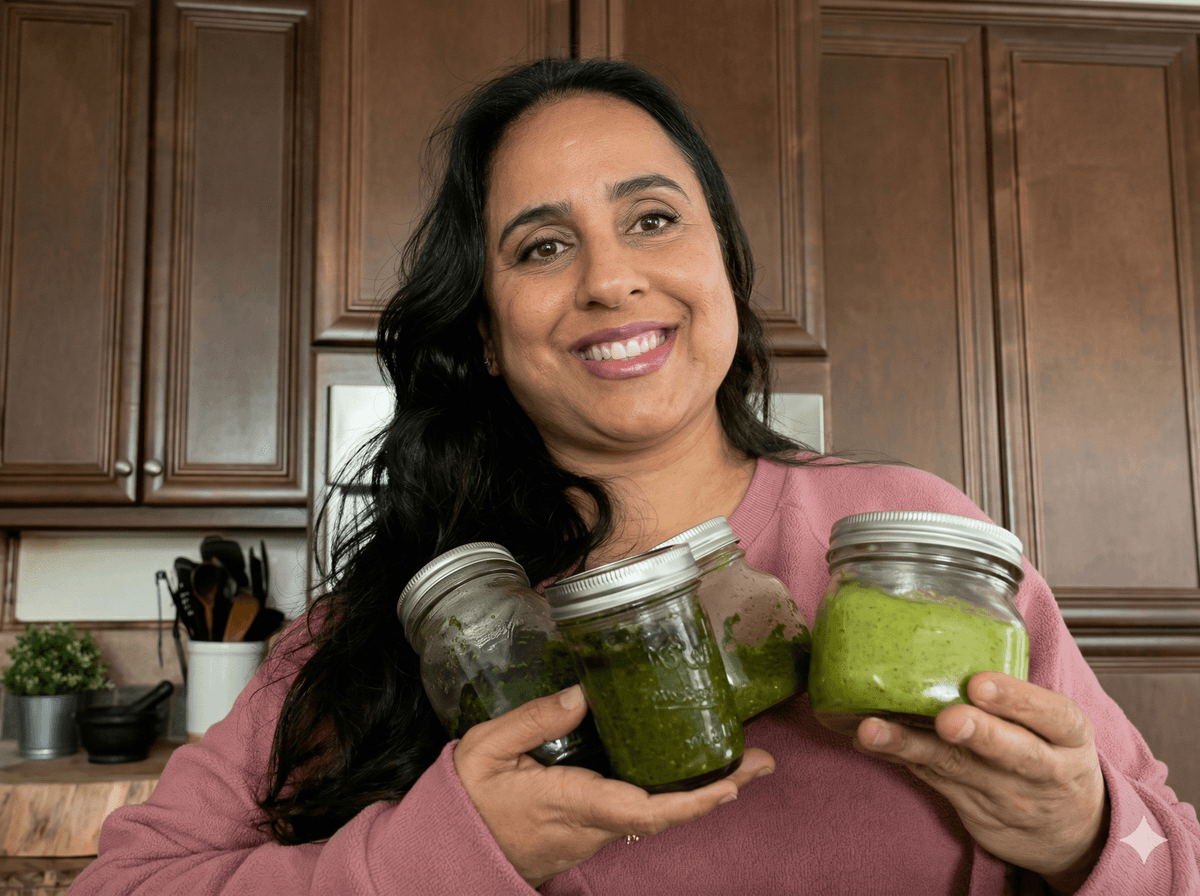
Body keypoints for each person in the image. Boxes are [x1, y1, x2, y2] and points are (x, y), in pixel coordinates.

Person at [71, 57, 1199, 895]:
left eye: (653, 218)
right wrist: (452, 847)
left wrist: (1083, 834)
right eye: (543, 245)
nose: (612, 279)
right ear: (484, 327)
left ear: (722, 264)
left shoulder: (913, 538)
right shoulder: (387, 629)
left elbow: (1173, 851)